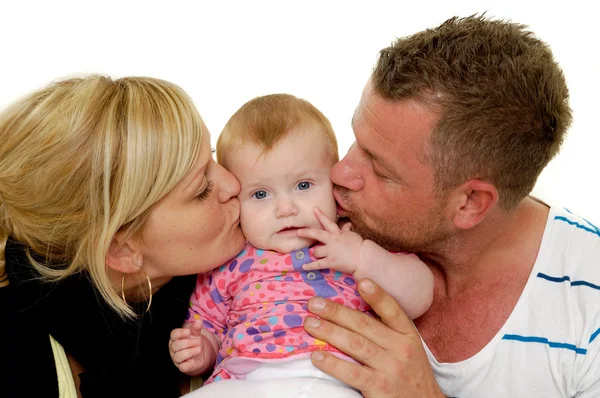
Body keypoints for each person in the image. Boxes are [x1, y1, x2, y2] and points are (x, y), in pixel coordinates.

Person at [295, 14, 600, 397]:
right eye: (357, 141)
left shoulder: (588, 317)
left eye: (379, 168)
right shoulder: (328, 222)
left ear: (470, 203)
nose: (340, 172)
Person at [168, 94, 434, 396]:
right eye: (260, 195)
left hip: (338, 378)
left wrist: (362, 259)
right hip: (244, 379)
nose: (286, 209)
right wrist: (200, 350)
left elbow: (421, 295)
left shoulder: (356, 240)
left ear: (334, 185)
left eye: (303, 186)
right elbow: (209, 326)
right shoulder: (229, 261)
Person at [0, 75, 246, 397]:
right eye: (201, 189)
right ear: (123, 248)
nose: (234, 185)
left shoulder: (271, 271)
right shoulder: (16, 358)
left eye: (212, 156)